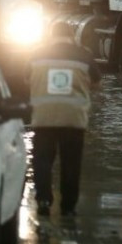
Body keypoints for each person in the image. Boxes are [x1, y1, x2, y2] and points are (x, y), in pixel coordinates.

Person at [28, 22, 94, 217]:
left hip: (43, 118)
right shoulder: (84, 55)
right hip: (73, 120)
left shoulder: (36, 54)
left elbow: (26, 80)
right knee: (71, 163)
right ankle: (68, 207)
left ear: (50, 35)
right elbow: (97, 82)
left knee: (42, 160)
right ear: (72, 35)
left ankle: (44, 200)